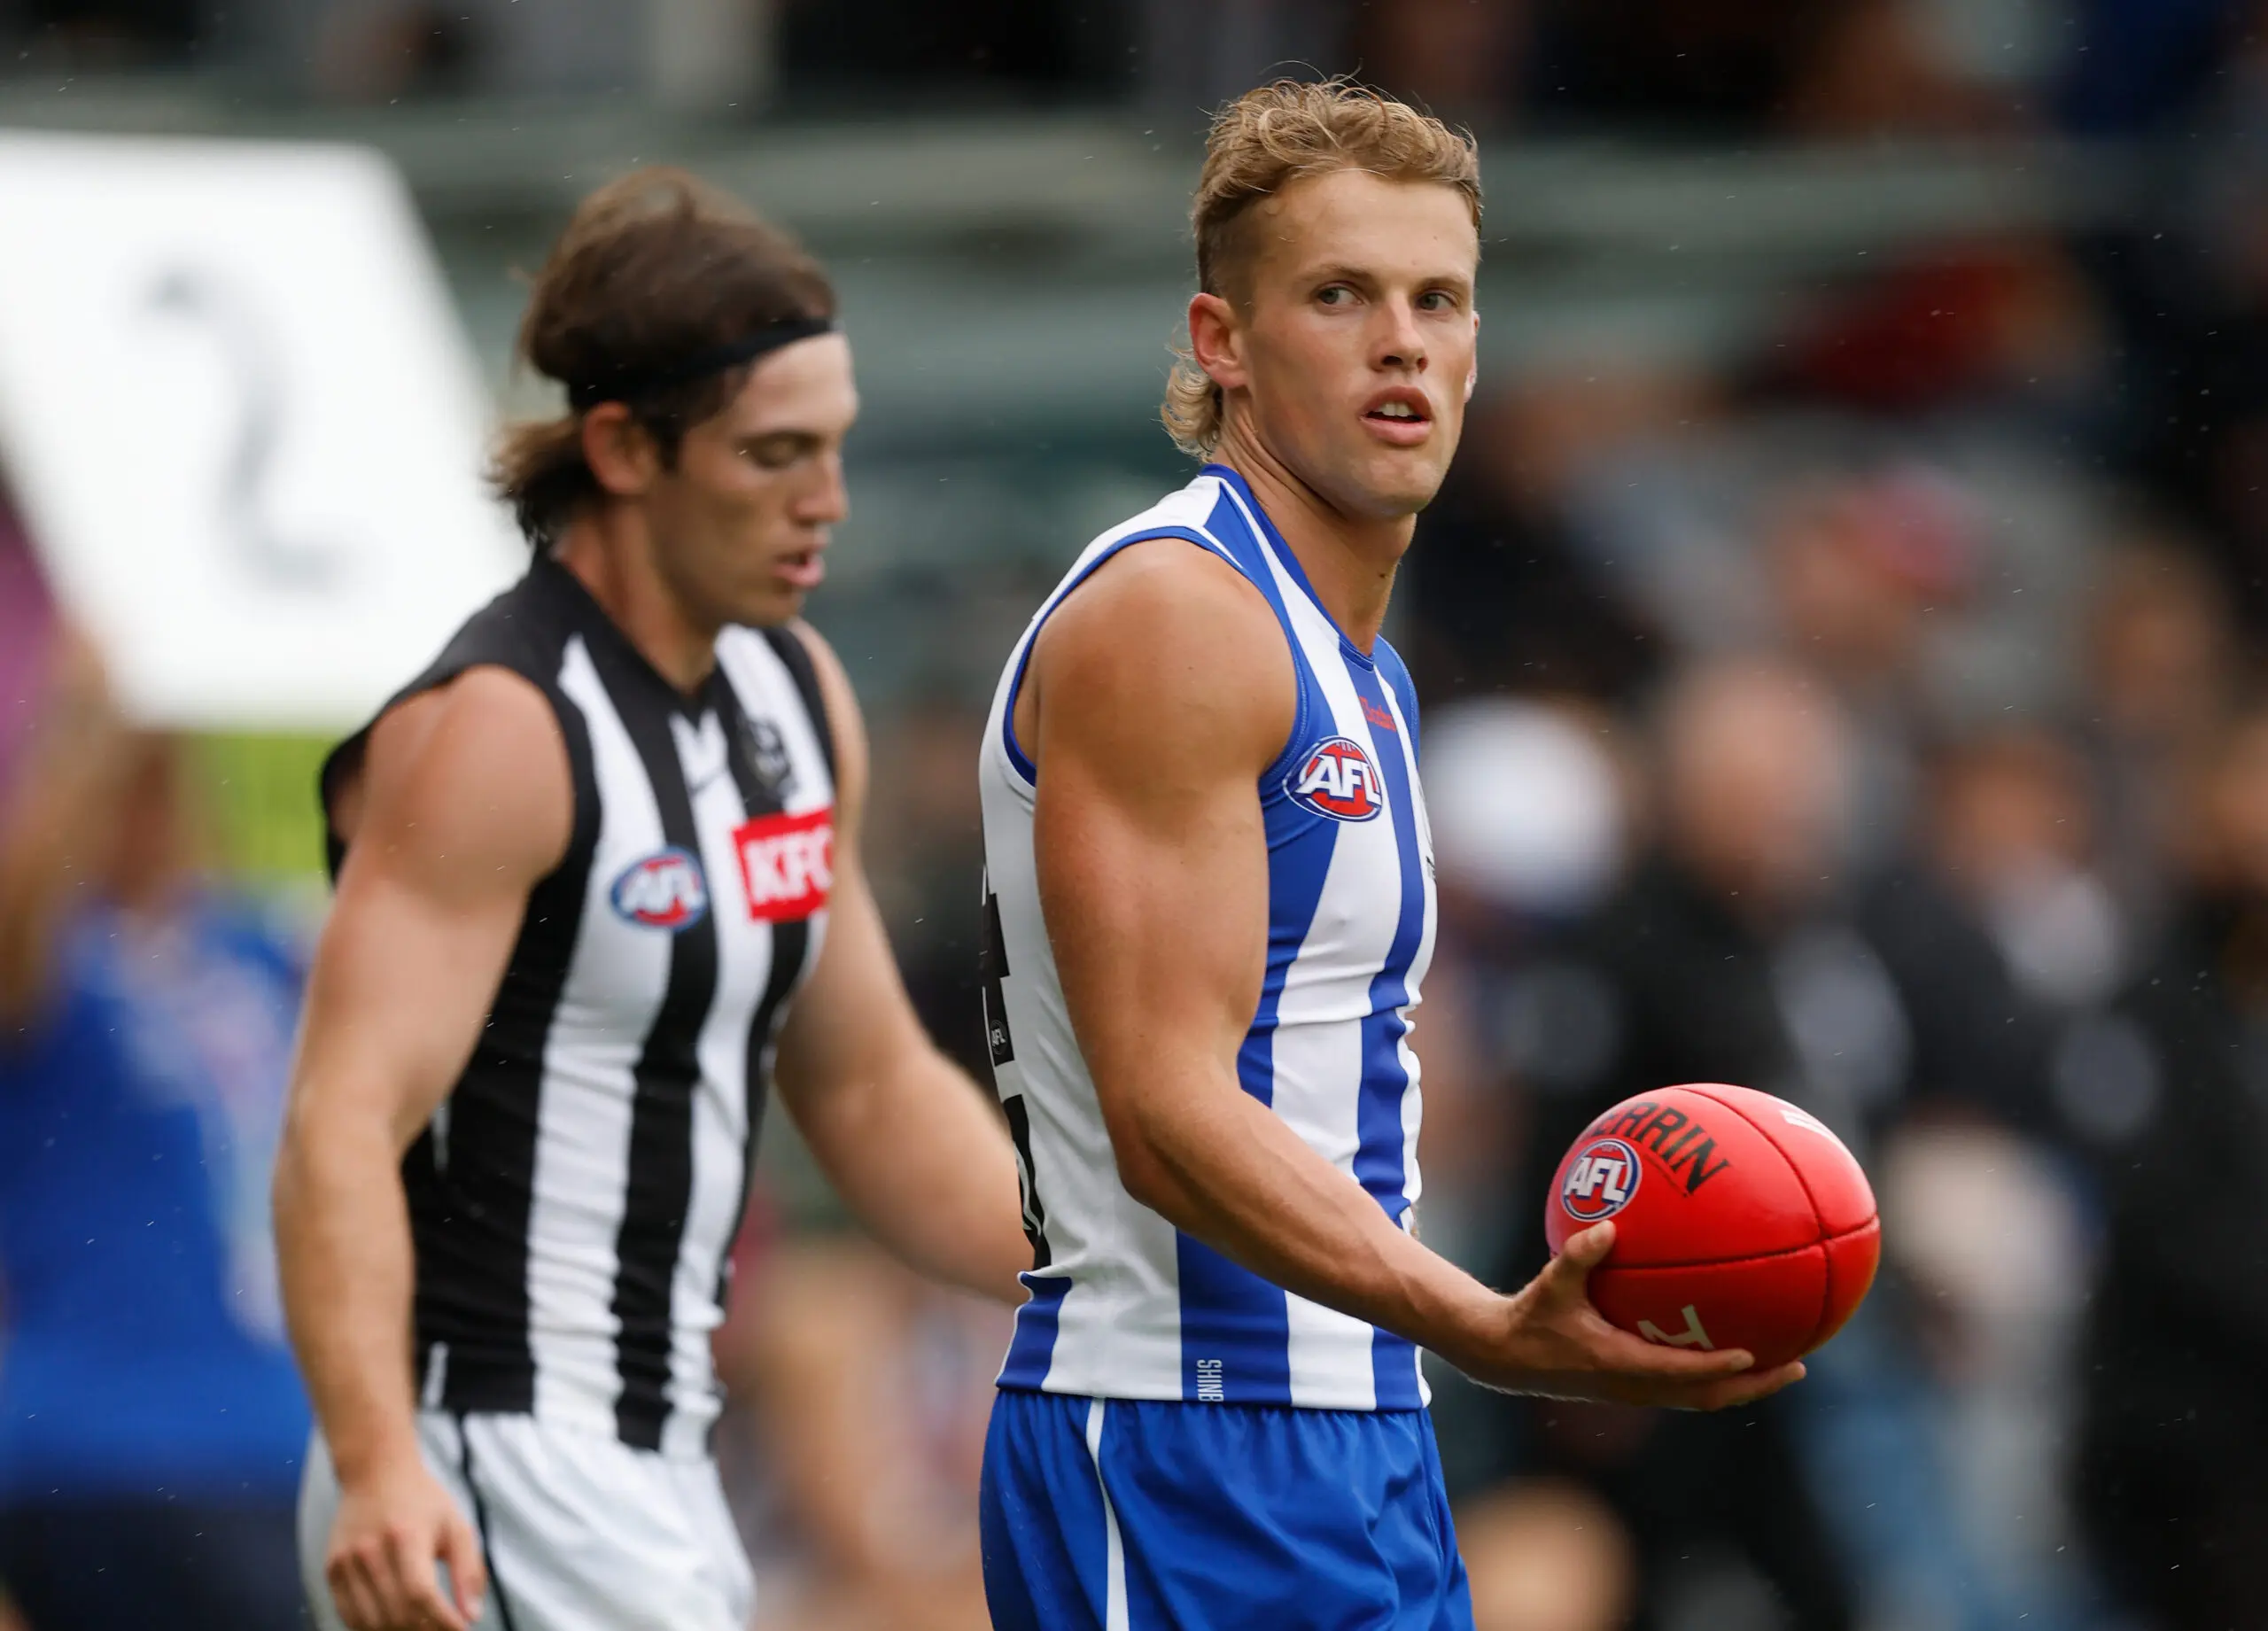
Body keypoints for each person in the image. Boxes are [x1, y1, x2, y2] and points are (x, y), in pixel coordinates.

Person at [973, 80, 1803, 1631]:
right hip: (1184, 1428)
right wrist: (1481, 1320)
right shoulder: (1179, 616)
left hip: (1354, 1422)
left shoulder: (1362, 665)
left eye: (1439, 300)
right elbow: (1167, 1114)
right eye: (1340, 296)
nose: (1402, 341)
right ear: (1222, 341)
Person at [273, 169, 1029, 1631]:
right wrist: (377, 1462)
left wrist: (1125, 1278)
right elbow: (338, 1121)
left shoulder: (794, 695)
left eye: (837, 449)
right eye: (774, 457)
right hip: (485, 1455)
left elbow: (869, 1088)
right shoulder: (500, 729)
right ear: (622, 447)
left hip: (661, 1460)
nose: (829, 504)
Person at [0, 588, 311, 1628]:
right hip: (105, 1446)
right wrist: (88, 722)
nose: (154, 796)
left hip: (283, 1448)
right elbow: (18, 923)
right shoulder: (59, 968)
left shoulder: (258, 945)